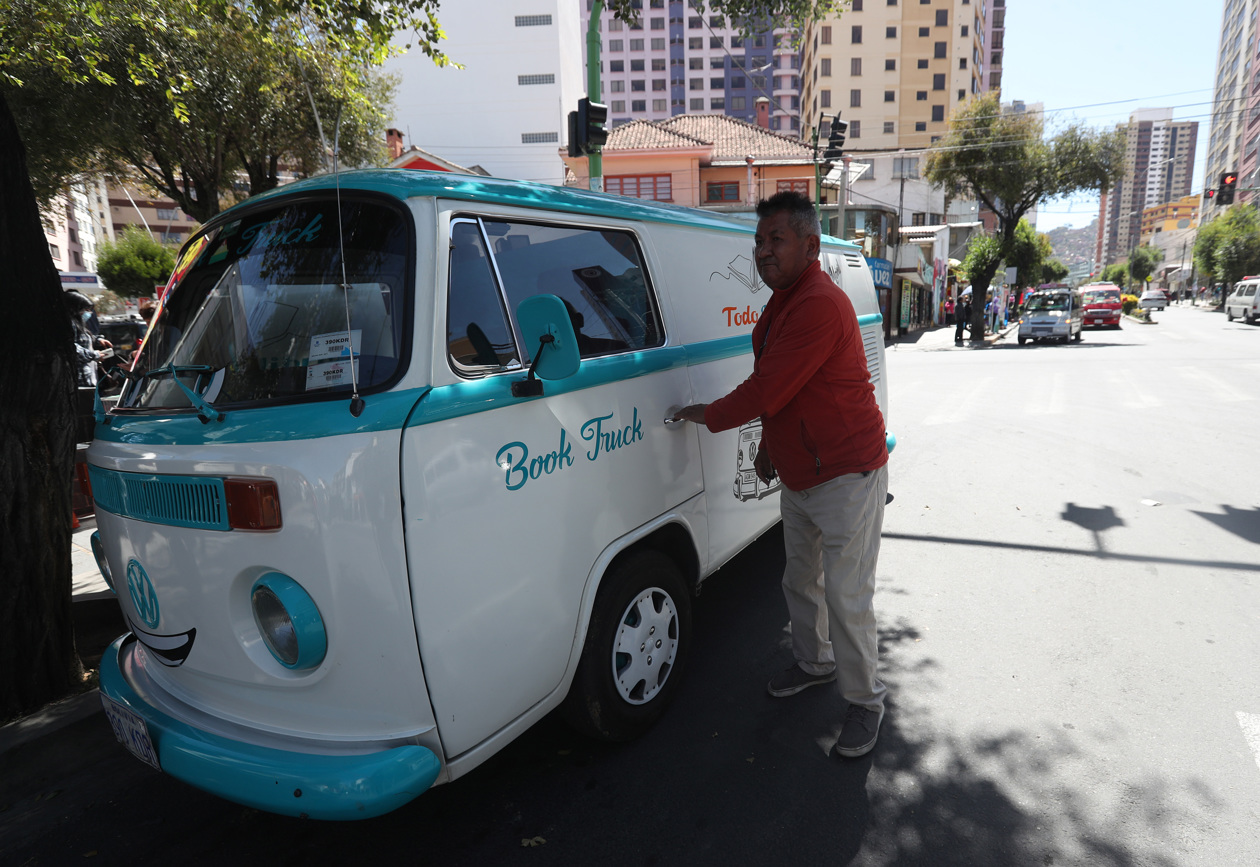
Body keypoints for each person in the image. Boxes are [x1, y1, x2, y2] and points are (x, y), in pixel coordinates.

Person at [672, 191, 890, 759]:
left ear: (810, 246)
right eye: (759, 241)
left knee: (847, 595)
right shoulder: (781, 303)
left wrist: (707, 414)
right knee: (799, 580)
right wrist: (770, 442)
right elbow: (783, 387)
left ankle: (866, 702)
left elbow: (768, 386)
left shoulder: (817, 302)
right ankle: (816, 664)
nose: (763, 251)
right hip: (801, 475)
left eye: (777, 240)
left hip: (847, 473)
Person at [66, 290, 112, 387]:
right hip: (79, 379)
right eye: (85, 310)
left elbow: (82, 339)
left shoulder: (79, 323)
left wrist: (98, 340)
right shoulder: (70, 323)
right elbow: (71, 348)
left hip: (87, 377)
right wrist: (94, 355)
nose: (88, 313)